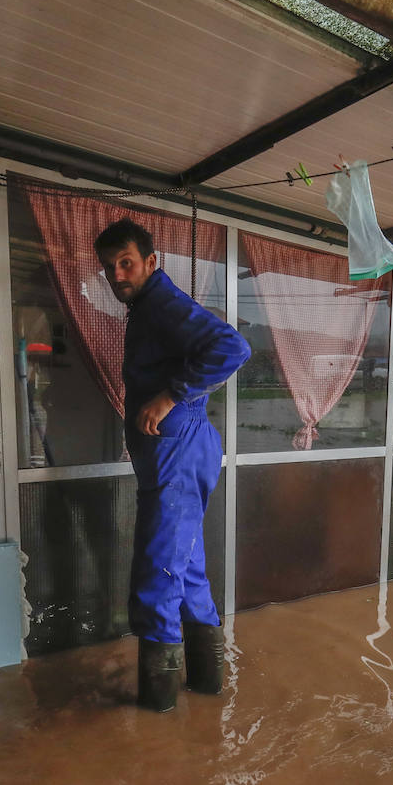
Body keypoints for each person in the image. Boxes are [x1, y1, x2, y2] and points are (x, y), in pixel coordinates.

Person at [94, 218, 250, 712]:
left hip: (178, 449)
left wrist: (168, 397)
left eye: (126, 263)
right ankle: (206, 688)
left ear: (151, 263)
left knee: (158, 571)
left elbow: (233, 346)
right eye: (109, 267)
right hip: (183, 447)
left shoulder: (160, 302)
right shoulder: (146, 308)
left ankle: (157, 709)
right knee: (187, 569)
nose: (117, 274)